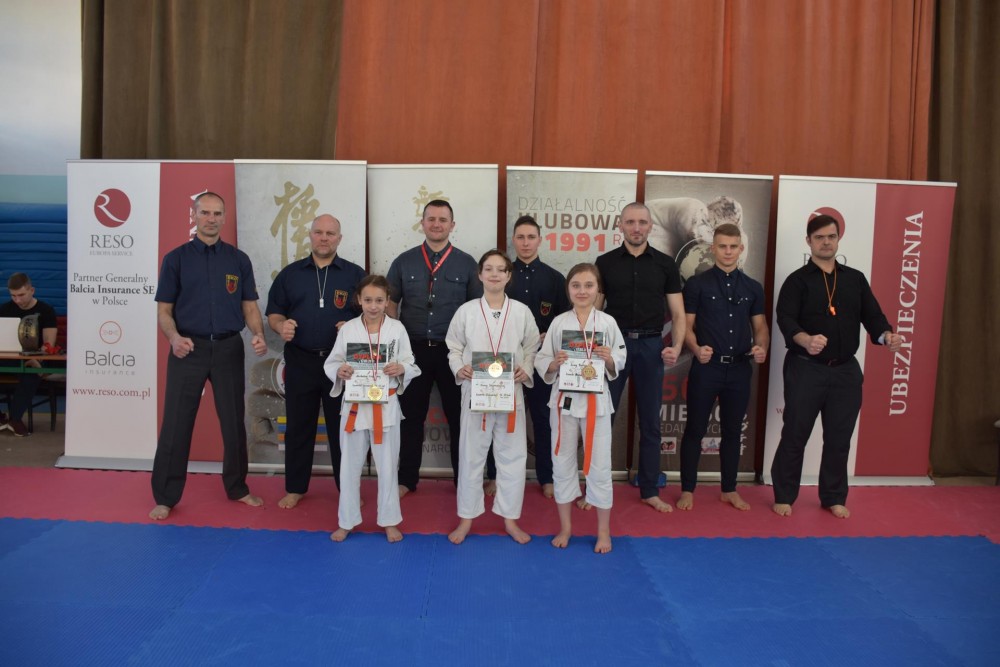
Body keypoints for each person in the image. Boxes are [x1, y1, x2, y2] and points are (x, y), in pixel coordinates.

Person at [771, 213, 902, 519]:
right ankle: (784, 495)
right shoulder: (797, 281)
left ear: (838, 239)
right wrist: (805, 339)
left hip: (845, 371)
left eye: (831, 236)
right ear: (809, 241)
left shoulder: (855, 279)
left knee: (839, 438)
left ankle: (833, 496)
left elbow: (873, 316)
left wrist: (886, 335)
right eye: (819, 238)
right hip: (806, 368)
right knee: (795, 434)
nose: (826, 242)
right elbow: (785, 319)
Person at [149, 191, 268, 520]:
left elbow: (249, 306)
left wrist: (257, 334)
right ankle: (165, 496)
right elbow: (164, 311)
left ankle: (237, 487)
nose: (211, 219)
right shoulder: (175, 259)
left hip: (229, 348)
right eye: (205, 213)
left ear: (224, 217)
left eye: (217, 213)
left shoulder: (238, 260)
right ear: (194, 215)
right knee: (176, 423)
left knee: (233, 421)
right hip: (188, 348)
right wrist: (174, 338)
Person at [266, 214, 365, 510]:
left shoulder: (355, 275)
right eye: (319, 232)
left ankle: (348, 489)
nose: (324, 238)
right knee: (298, 427)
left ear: (339, 239)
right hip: (301, 360)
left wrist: (353, 325)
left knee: (343, 430)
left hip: (342, 365)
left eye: (330, 233)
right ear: (310, 235)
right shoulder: (290, 274)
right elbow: (274, 313)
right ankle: (295, 488)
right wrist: (280, 326)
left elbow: (372, 313)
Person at [387, 199, 482, 497]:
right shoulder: (404, 261)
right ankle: (406, 480)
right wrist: (395, 340)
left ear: (452, 225)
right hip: (413, 350)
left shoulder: (467, 263)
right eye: (431, 219)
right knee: (410, 417)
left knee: (460, 417)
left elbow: (476, 309)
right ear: (423, 223)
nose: (436, 224)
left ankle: (464, 481)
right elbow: (390, 302)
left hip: (453, 352)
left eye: (443, 219)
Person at [595, 201, 686, 512]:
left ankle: (649, 489)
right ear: (620, 225)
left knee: (650, 422)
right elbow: (595, 311)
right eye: (630, 222)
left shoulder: (665, 264)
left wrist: (676, 345)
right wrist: (589, 349)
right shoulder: (605, 262)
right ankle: (596, 488)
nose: (636, 228)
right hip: (614, 347)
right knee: (603, 418)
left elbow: (678, 312)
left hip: (651, 346)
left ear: (651, 226)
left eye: (642, 222)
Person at [445, 250, 539, 545]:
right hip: (476, 393)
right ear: (480, 274)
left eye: (501, 269)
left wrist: (525, 369)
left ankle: (510, 519)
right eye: (489, 269)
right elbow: (453, 347)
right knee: (471, 456)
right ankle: (466, 518)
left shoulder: (522, 311)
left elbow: (532, 347)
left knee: (513, 457)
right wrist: (459, 368)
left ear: (509, 276)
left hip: (510, 393)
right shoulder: (467, 311)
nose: (495, 274)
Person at [677, 224, 768, 512]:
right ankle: (687, 489)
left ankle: (729, 490)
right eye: (722, 246)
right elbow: (686, 326)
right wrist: (695, 348)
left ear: (741, 248)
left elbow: (760, 327)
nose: (728, 251)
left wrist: (761, 347)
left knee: (732, 431)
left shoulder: (753, 287)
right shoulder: (696, 285)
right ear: (712, 248)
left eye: (733, 246)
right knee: (695, 429)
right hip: (707, 368)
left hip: (740, 369)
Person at [535, 263, 625, 553]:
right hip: (564, 402)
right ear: (568, 289)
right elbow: (542, 359)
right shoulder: (559, 323)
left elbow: (619, 358)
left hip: (597, 403)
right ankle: (566, 527)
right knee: (561, 462)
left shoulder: (607, 323)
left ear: (598, 289)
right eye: (576, 285)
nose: (582, 291)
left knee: (600, 465)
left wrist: (609, 359)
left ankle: (603, 532)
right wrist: (553, 363)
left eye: (589, 285)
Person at [325, 275, 420, 543]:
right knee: (348, 467)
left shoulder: (397, 329)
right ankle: (347, 521)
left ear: (387, 301)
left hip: (385, 407)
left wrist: (401, 368)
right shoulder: (349, 329)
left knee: (388, 467)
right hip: (355, 407)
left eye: (379, 300)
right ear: (359, 300)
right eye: (368, 300)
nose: (374, 306)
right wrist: (340, 371)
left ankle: (389, 521)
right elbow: (332, 362)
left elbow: (411, 363)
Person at [507, 215, 568, 498]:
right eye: (520, 237)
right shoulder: (503, 275)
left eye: (531, 237)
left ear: (540, 240)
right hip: (506, 361)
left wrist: (549, 337)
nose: (526, 243)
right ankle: (499, 475)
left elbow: (565, 321)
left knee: (543, 420)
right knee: (503, 419)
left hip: (542, 361)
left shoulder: (555, 279)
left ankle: (547, 477)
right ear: (513, 240)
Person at [0, 273, 58, 437]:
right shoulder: (3, 309)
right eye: (13, 296)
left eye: (21, 295)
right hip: (9, 358)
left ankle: (15, 419)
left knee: (31, 373)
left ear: (32, 290)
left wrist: (38, 357)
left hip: (36, 359)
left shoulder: (46, 310)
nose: (17, 300)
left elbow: (49, 343)